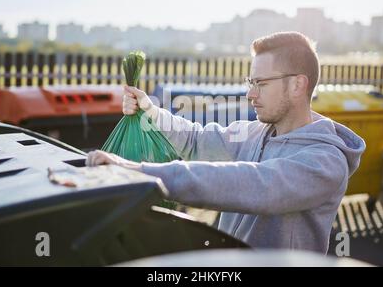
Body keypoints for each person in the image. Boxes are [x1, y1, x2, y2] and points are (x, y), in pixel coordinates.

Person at [86, 31, 366, 254]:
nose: (250, 94)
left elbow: (253, 184)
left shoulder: (325, 162)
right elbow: (196, 140)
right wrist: (150, 112)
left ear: (297, 85)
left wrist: (138, 173)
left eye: (261, 83)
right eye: (250, 82)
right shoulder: (255, 132)